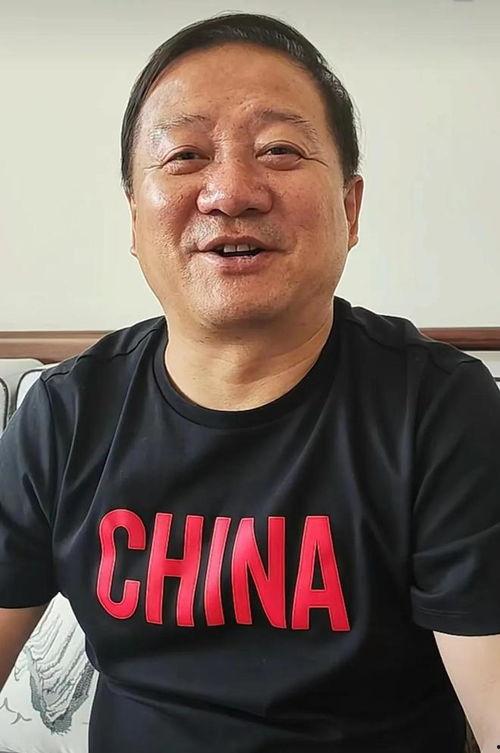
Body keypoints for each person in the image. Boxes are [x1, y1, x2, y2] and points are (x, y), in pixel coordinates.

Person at [1, 11, 499, 753]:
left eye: (280, 150)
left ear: (350, 208)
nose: (231, 192)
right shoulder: (64, 415)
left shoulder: (439, 410)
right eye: (185, 156)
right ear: (135, 219)